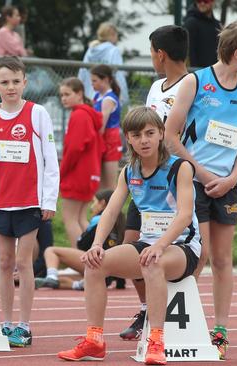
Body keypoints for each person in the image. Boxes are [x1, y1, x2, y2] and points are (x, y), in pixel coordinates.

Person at [58, 106, 201, 365]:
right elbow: (111, 210)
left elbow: (184, 215)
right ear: (128, 139)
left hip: (183, 247)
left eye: (149, 133)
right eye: (137, 135)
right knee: (94, 264)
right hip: (148, 244)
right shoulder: (129, 171)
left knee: (152, 261)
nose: (144, 140)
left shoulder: (180, 168)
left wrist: (160, 244)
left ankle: (156, 342)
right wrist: (97, 244)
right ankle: (94, 341)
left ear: (160, 134)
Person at [164, 19, 237, 359]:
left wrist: (233, 177)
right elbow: (170, 136)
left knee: (222, 259)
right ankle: (179, 326)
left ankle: (220, 330)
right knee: (199, 255)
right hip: (193, 182)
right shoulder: (196, 81)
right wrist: (204, 174)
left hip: (228, 184)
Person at [0, 56, 59, 347]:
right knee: (4, 262)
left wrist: (49, 199)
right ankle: (6, 322)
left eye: (15, 81)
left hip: (29, 202)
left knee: (24, 263)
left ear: (24, 82)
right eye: (4, 82)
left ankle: (24, 324)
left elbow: (50, 159)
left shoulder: (37, 114)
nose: (10, 87)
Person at [120, 24, 190, 342]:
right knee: (132, 242)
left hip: (176, 180)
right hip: (145, 181)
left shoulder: (192, 86)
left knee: (184, 249)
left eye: (150, 52)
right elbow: (145, 128)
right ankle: (147, 307)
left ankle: (183, 315)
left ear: (159, 54)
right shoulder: (155, 88)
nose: (151, 58)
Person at [35, 189, 124, 290]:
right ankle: (78, 284)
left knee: (50, 250)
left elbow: (81, 244)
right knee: (65, 278)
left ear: (102, 203)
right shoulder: (121, 220)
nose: (92, 206)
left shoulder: (99, 219)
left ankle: (51, 277)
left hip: (98, 263)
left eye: (94, 202)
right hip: (115, 269)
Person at [58, 77, 103, 247]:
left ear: (80, 94)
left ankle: (80, 260)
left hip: (77, 175)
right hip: (89, 175)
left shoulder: (79, 115)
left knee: (70, 219)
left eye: (67, 94)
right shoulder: (89, 114)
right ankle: (91, 258)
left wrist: (61, 173)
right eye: (62, 95)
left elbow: (74, 149)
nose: (64, 98)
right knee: (81, 219)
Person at [78, 22, 129, 106]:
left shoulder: (91, 50)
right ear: (112, 35)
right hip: (106, 97)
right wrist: (123, 97)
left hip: (89, 97)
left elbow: (82, 73)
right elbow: (119, 74)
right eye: (116, 35)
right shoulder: (113, 50)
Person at [90, 64, 121, 191]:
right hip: (101, 139)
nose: (92, 84)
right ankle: (101, 210)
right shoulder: (98, 96)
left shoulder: (108, 99)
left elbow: (101, 127)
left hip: (110, 141)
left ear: (106, 80)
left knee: (110, 186)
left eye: (95, 81)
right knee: (100, 185)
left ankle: (113, 210)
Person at [183, 0, 221, 68]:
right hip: (196, 73)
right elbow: (187, 53)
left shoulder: (217, 25)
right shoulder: (190, 23)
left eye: (206, 1)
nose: (202, 3)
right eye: (199, 1)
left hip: (215, 73)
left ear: (213, 2)